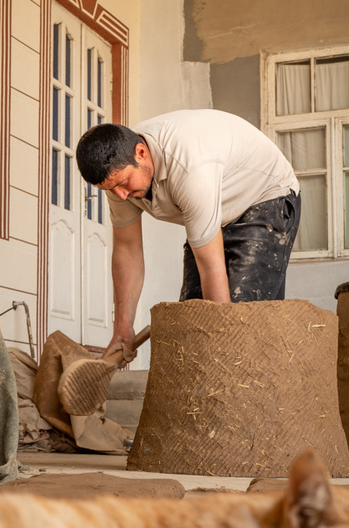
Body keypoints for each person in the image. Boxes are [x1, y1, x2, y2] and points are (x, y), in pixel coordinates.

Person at [75, 109, 300, 360]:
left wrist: (223, 344)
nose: (121, 196)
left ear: (141, 152)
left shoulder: (189, 166)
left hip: (264, 198)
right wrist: (123, 327)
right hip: (216, 205)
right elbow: (127, 250)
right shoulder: (119, 174)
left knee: (237, 321)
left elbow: (210, 266)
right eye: (110, 189)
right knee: (193, 321)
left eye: (123, 183)